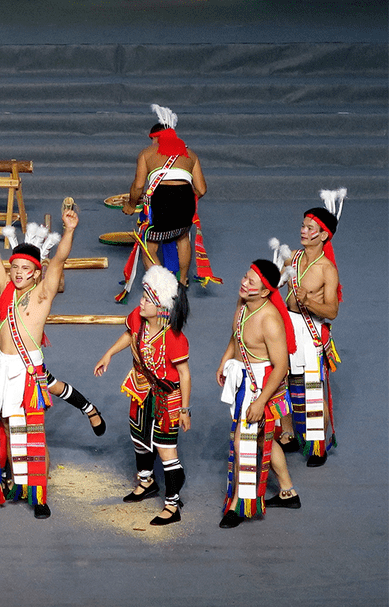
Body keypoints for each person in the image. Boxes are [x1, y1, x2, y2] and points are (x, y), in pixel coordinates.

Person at [0, 199, 81, 519]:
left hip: (28, 369)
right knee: (5, 425)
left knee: (33, 430)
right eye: (14, 267)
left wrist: (69, 230)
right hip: (4, 367)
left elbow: (58, 260)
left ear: (35, 273)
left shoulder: (43, 295)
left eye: (25, 270)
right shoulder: (3, 288)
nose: (18, 273)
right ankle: (13, 482)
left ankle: (39, 493)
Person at [94, 266, 191, 526]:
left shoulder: (173, 337)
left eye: (147, 299)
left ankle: (172, 505)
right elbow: (129, 335)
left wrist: (184, 410)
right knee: (138, 436)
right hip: (140, 389)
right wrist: (109, 354)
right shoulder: (138, 317)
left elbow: (184, 375)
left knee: (165, 449)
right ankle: (146, 481)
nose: (141, 301)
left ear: (160, 308)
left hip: (166, 398)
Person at [216, 260, 300, 529]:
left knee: (243, 443)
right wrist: (225, 360)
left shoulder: (270, 320)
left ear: (265, 292)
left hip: (262, 385)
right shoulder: (242, 304)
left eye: (252, 282)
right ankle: (287, 490)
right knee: (262, 437)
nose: (244, 282)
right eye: (245, 276)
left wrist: (261, 400)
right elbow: (236, 336)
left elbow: (281, 366)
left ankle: (239, 504)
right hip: (244, 379)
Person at [281, 190, 344, 467]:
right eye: (303, 226)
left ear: (323, 235)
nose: (304, 231)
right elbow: (276, 284)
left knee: (312, 388)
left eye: (310, 228)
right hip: (287, 327)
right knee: (282, 381)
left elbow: (333, 311)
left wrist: (308, 302)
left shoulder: (327, 269)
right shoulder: (292, 258)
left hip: (311, 331)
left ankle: (318, 446)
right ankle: (288, 434)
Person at [125, 104, 207, 285]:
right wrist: (182, 197)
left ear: (156, 138)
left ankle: (161, 286)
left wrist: (131, 205)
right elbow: (201, 189)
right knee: (182, 237)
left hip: (161, 200)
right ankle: (183, 280)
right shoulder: (191, 154)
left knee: (149, 246)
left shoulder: (146, 153)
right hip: (186, 198)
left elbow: (138, 186)